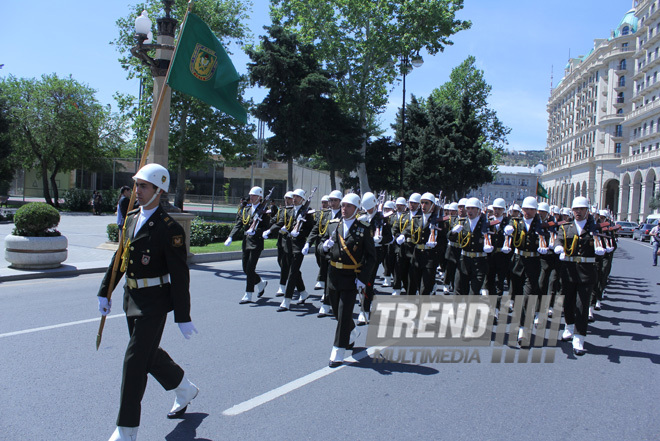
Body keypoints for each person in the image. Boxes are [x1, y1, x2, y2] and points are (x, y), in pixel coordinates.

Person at [97, 163, 198, 441]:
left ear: (158, 191)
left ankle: (126, 429)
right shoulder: (131, 219)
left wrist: (183, 315)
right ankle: (184, 387)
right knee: (147, 355)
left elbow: (180, 275)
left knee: (134, 360)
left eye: (143, 186)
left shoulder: (169, 228)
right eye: (137, 185)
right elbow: (120, 257)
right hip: (132, 298)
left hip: (154, 302)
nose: (137, 191)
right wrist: (105, 291)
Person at [321, 193, 376, 367]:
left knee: (344, 314)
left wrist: (363, 279)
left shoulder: (363, 228)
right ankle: (351, 332)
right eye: (343, 205)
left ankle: (338, 351)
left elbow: (371, 257)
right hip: (333, 275)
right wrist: (323, 247)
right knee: (337, 312)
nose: (344, 209)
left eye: (348, 206)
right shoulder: (333, 225)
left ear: (357, 209)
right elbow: (321, 248)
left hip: (352, 277)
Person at [554, 196, 603, 356]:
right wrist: (559, 248)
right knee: (568, 302)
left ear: (587, 211)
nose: (578, 212)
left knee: (582, 305)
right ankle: (568, 326)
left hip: (587, 272)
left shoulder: (595, 228)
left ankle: (579, 337)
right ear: (572, 211)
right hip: (568, 271)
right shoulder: (566, 227)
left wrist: (601, 252)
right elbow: (558, 240)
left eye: (581, 209)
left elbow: (602, 246)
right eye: (576, 209)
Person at [225, 186, 270, 304]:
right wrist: (230, 237)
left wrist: (257, 231)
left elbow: (266, 227)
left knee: (250, 268)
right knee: (245, 268)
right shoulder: (246, 210)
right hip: (246, 242)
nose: (251, 197)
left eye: (254, 195)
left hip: (256, 243)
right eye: (251, 195)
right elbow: (239, 224)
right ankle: (260, 283)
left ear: (260, 197)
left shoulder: (265, 211)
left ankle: (248, 294)